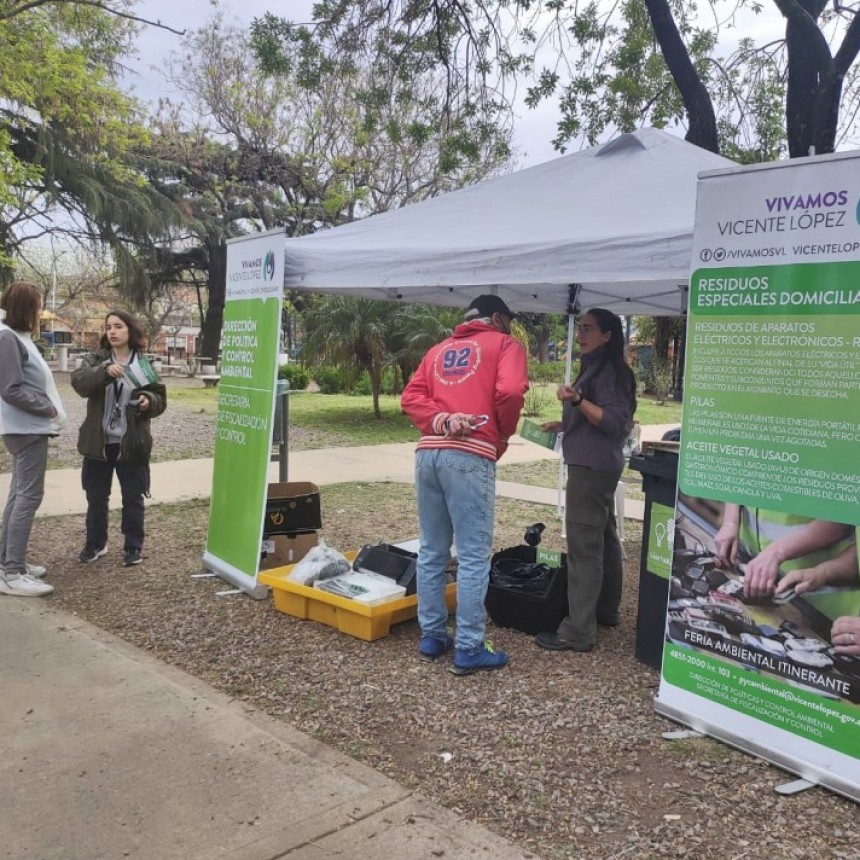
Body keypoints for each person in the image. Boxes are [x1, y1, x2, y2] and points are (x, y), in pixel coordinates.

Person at [401, 294, 528, 675]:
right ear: (498, 318)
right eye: (509, 319)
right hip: (470, 454)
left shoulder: (439, 350)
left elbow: (411, 396)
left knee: (432, 549)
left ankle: (433, 635)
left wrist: (440, 420)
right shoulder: (506, 345)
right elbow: (509, 391)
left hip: (429, 454)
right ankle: (470, 647)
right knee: (473, 555)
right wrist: (500, 434)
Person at [535, 308, 636, 653]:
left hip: (591, 470)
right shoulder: (597, 366)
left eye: (589, 329)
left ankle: (578, 631)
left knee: (583, 548)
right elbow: (595, 415)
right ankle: (605, 611)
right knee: (604, 537)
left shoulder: (611, 371)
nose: (581, 334)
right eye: (581, 328)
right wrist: (564, 423)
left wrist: (576, 399)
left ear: (608, 335)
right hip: (595, 464)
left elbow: (614, 422)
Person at [71, 310, 166, 566]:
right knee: (96, 498)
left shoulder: (143, 364)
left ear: (130, 331)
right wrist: (104, 372)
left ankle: (133, 546)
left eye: (118, 326)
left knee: (133, 497)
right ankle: (95, 544)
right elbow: (79, 383)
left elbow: (160, 398)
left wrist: (149, 401)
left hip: (132, 444)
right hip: (98, 444)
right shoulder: (97, 358)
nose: (112, 331)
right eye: (108, 327)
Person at [0, 281, 66, 597]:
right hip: (26, 428)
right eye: (37, 305)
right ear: (26, 307)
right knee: (28, 496)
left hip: (27, 428)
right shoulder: (8, 338)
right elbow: (11, 389)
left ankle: (7, 563)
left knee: (18, 495)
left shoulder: (16, 338)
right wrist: (48, 407)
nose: (40, 311)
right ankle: (12, 572)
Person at [714, 504, 853, 599]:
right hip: (748, 564)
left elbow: (844, 516)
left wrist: (777, 552)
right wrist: (730, 522)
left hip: (815, 597)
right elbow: (739, 467)